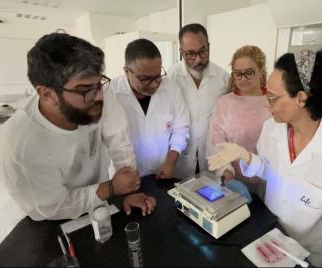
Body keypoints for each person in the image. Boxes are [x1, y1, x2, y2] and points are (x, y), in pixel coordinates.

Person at [208, 50, 322, 267]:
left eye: (273, 97)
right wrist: (248, 157)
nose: (267, 104)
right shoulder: (272, 129)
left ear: (301, 98)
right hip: (269, 239)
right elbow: (272, 172)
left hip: (311, 254)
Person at [0, 33, 156, 245]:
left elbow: (120, 142)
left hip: (93, 198)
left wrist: (130, 189)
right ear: (47, 94)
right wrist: (113, 188)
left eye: (98, 84)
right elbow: (52, 206)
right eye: (85, 90)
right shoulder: (19, 147)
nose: (99, 96)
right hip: (33, 217)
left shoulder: (96, 94)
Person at [107, 38, 190, 179]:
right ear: (127, 71)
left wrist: (170, 162)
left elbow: (180, 129)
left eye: (157, 76)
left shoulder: (171, 89)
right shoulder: (110, 94)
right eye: (145, 79)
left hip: (161, 174)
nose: (154, 85)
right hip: (123, 178)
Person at [207, 45, 271, 200]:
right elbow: (216, 144)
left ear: (261, 71)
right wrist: (227, 175)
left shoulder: (274, 101)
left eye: (249, 73)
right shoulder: (225, 103)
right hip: (234, 181)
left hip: (270, 182)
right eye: (238, 74)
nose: (242, 78)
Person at [168, 23, 229, 179]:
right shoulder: (170, 78)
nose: (198, 59)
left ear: (208, 46)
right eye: (190, 54)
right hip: (180, 155)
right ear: (181, 52)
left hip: (211, 155)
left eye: (203, 51)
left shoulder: (223, 79)